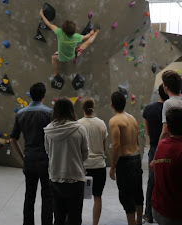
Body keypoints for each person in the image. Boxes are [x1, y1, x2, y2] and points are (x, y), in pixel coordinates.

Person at [10, 82, 53, 225]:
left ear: (30, 95)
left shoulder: (20, 114)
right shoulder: (49, 113)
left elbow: (13, 139)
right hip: (46, 159)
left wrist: (22, 157)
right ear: (44, 95)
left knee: (29, 196)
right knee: (47, 196)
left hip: (29, 158)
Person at [44, 97, 88, 225]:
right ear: (71, 110)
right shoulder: (80, 129)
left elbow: (48, 152)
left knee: (58, 217)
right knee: (75, 217)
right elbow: (85, 154)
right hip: (75, 179)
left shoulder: (48, 130)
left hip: (55, 178)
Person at [109, 91, 143, 225]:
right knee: (137, 192)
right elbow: (137, 142)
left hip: (125, 161)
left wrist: (112, 167)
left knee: (126, 195)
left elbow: (116, 145)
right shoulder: (132, 118)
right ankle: (139, 221)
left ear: (112, 105)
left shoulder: (114, 121)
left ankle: (131, 223)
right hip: (136, 157)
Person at [39, 9, 99, 76]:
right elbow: (85, 37)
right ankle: (97, 32)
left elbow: (49, 25)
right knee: (88, 42)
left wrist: (42, 14)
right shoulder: (76, 37)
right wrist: (90, 33)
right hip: (72, 56)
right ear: (74, 31)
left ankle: (55, 73)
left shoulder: (59, 32)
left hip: (61, 57)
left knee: (53, 58)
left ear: (63, 30)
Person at [78, 97, 108, 225]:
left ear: (82, 108)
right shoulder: (101, 123)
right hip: (99, 165)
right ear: (93, 108)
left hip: (83, 166)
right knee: (97, 197)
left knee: (78, 197)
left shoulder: (78, 124)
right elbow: (104, 146)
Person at [142, 84, 169, 223]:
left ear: (159, 93)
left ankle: (148, 213)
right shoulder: (171, 109)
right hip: (169, 147)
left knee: (152, 181)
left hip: (154, 148)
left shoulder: (148, 109)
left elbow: (147, 132)